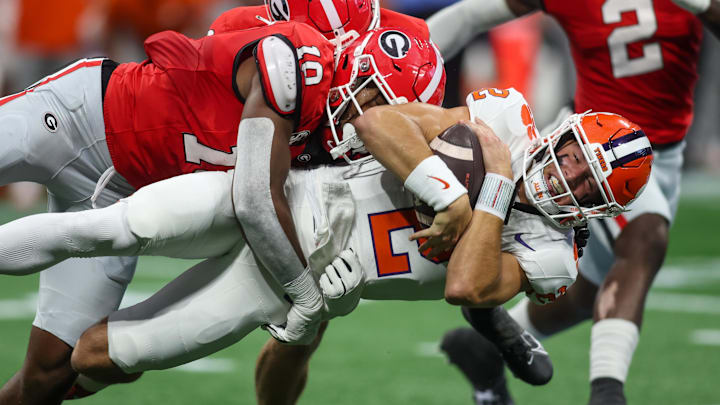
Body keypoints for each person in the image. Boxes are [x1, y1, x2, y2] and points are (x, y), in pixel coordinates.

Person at [0, 18, 337, 404]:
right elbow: (255, 197)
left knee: (51, 373)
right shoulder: (280, 54)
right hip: (77, 115)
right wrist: (304, 292)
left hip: (117, 189)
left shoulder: (325, 139)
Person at [426, 0, 720, 404]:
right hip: (587, 157)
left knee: (586, 296)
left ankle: (487, 350)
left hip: (665, 155)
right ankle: (607, 393)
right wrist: (408, 63)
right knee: (645, 238)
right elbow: (472, 15)